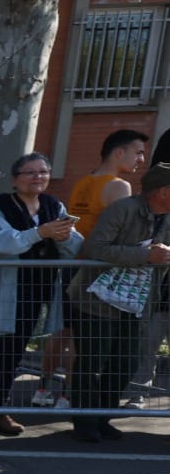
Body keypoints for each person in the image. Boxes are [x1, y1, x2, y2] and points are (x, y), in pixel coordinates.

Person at [0, 153, 82, 440]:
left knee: (15, 353)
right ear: (15, 179)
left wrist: (65, 237)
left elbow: (75, 245)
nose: (38, 177)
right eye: (30, 173)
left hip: (36, 291)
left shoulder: (54, 206)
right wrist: (39, 232)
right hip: (2, 292)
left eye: (43, 172)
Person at [63, 163, 170, 442]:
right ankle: (84, 422)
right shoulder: (123, 209)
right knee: (93, 360)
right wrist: (145, 255)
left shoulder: (167, 218)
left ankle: (102, 417)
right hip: (96, 300)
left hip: (137, 303)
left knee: (125, 362)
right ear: (163, 192)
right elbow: (95, 248)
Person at [58, 130, 149, 407]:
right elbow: (123, 233)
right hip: (100, 274)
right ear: (119, 153)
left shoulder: (84, 181)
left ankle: (70, 396)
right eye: (138, 152)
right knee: (100, 349)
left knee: (76, 338)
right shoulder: (119, 186)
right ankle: (86, 405)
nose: (142, 160)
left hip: (74, 265)